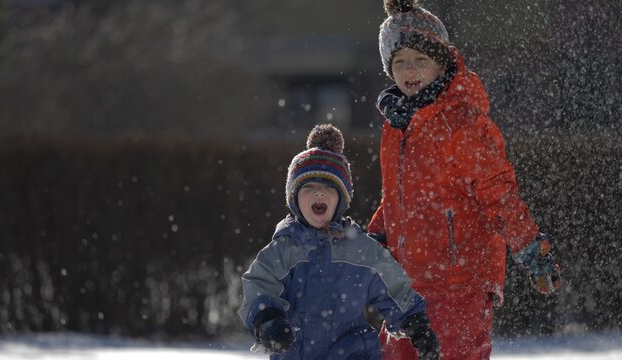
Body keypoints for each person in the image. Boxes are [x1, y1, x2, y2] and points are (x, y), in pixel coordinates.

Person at [367, 1, 563, 359]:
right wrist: (376, 237)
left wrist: (530, 246)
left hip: (460, 280)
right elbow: (396, 196)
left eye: (420, 60)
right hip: (407, 284)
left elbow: (498, 193)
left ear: (442, 63)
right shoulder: (395, 127)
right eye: (399, 62)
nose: (409, 69)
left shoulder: (463, 124)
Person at [237, 124, 440, 359]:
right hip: (298, 352)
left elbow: (395, 288)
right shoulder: (284, 250)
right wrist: (267, 320)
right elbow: (259, 286)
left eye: (328, 188)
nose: (318, 194)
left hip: (351, 352)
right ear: (294, 199)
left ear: (341, 200)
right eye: (309, 187)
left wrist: (416, 325)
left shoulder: (361, 250)